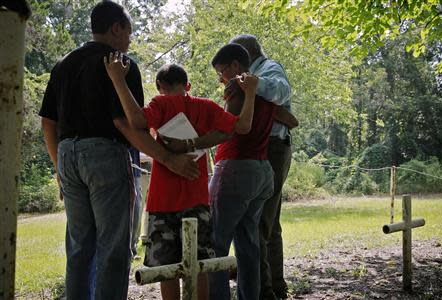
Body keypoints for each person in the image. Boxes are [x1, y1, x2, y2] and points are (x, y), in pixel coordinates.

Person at [39, 2, 199, 299]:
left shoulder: (63, 64)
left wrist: (59, 169)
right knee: (113, 247)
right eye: (129, 31)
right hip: (106, 156)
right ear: (116, 28)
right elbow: (126, 124)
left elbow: (48, 121)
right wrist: (168, 159)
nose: (130, 39)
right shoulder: (120, 64)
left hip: (66, 156)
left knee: (79, 247)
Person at [103, 59, 258, 300]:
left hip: (162, 201)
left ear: (159, 86)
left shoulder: (161, 103)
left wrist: (118, 80)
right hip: (197, 199)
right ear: (188, 85)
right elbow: (244, 126)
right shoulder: (205, 106)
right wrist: (250, 93)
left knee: (168, 269)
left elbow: (135, 121)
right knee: (199, 266)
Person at [230, 34, 298, 300]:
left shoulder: (268, 69)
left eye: (233, 61)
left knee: (256, 221)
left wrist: (248, 85)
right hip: (262, 147)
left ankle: (260, 291)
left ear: (245, 56)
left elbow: (280, 92)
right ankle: (274, 286)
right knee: (268, 221)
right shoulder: (251, 74)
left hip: (271, 148)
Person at [207, 43, 275, 300]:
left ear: (235, 65)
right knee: (248, 244)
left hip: (235, 168)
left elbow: (229, 126)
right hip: (261, 168)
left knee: (217, 243)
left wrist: (195, 140)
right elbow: (288, 119)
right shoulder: (264, 88)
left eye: (221, 71)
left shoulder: (237, 86)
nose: (221, 79)